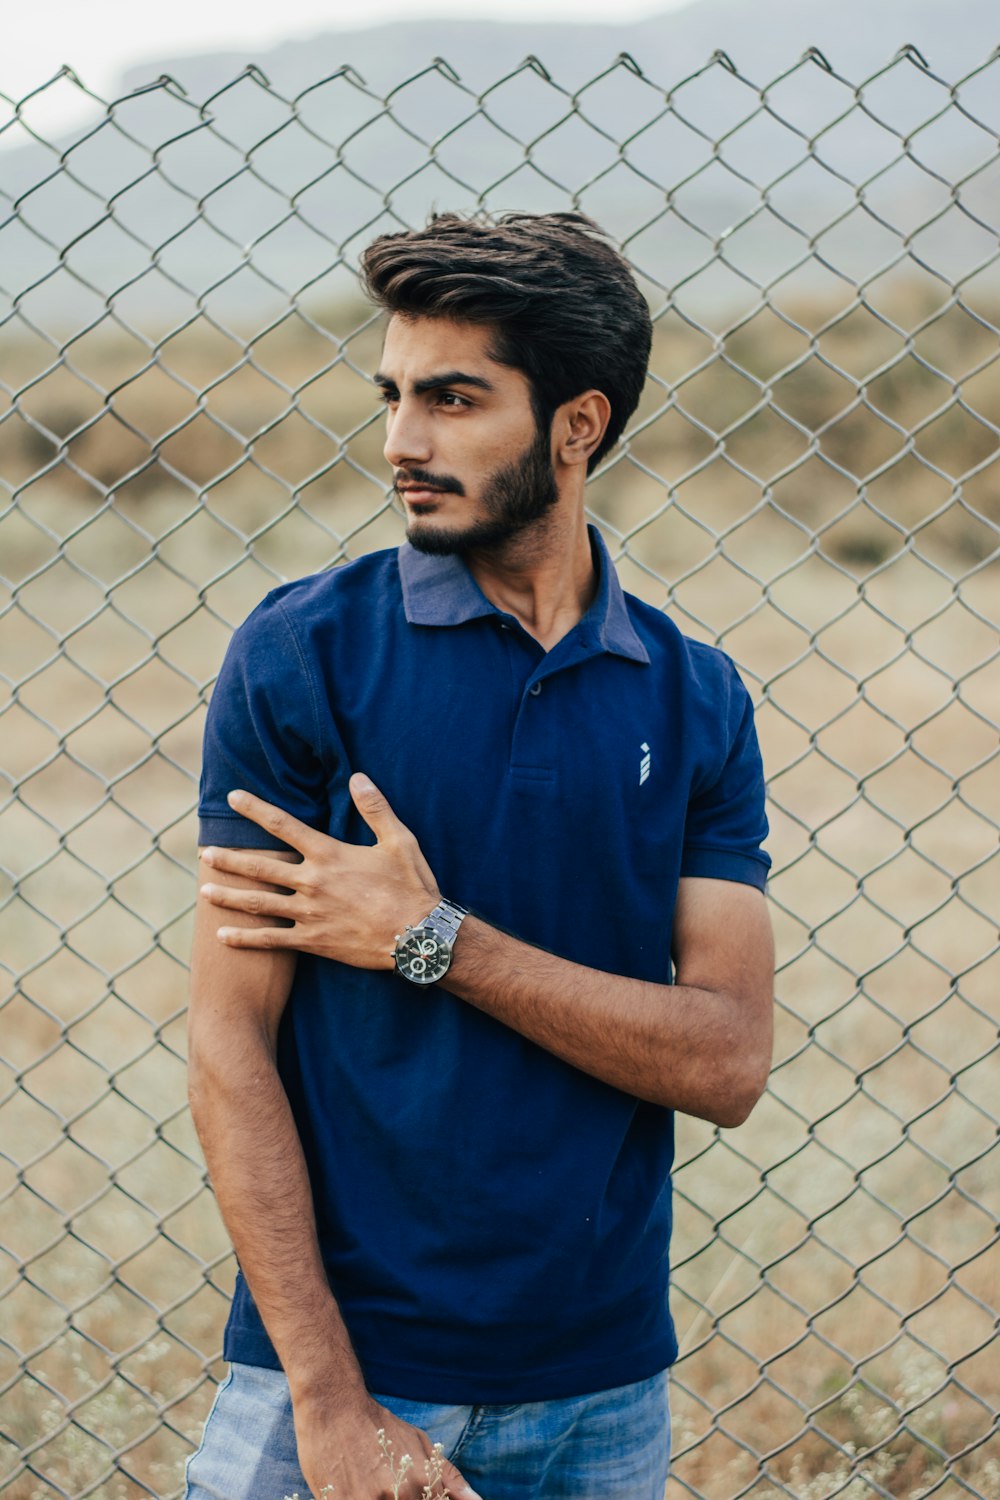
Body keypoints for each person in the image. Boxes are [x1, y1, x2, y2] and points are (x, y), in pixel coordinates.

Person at [185, 211, 774, 1500]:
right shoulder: (302, 657)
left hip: (601, 1393)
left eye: (455, 399)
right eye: (394, 395)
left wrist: (433, 942)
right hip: (341, 1377)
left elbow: (726, 1061)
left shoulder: (693, 699)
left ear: (578, 423)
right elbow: (229, 1049)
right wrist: (328, 1405)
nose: (403, 441)